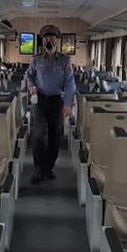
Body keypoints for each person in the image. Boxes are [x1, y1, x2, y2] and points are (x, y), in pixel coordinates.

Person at [26, 24, 76, 184]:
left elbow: (70, 84)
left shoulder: (65, 61)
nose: (49, 40)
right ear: (42, 41)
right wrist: (32, 87)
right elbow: (29, 76)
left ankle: (48, 167)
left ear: (57, 41)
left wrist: (67, 103)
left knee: (55, 137)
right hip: (40, 101)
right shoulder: (36, 59)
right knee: (38, 135)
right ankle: (38, 169)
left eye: (52, 38)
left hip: (57, 102)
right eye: (46, 38)